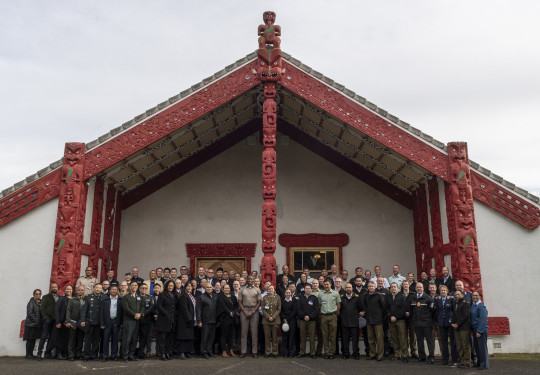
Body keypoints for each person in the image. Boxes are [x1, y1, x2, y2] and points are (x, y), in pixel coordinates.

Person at [408, 282, 435, 364]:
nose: (419, 289)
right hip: (417, 323)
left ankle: (431, 357)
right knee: (419, 341)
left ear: (423, 288)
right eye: (417, 287)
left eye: (420, 287)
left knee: (429, 341)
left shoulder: (428, 298)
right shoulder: (412, 298)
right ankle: (422, 357)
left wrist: (429, 320)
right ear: (415, 289)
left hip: (426, 323)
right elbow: (410, 310)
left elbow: (433, 310)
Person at [238, 275, 262, 358]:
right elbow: (240, 302)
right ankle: (243, 351)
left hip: (254, 311)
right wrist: (244, 312)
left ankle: (254, 351)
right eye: (248, 279)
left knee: (254, 332)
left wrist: (252, 311)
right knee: (243, 332)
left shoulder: (257, 289)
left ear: (253, 280)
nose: (250, 280)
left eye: (251, 279)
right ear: (246, 280)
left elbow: (259, 302)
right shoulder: (242, 289)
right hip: (244, 310)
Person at [435, 285, 458, 366]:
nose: (443, 292)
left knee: (453, 341)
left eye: (444, 290)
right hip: (442, 323)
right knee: (444, 341)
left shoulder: (451, 299)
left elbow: (454, 311)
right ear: (439, 292)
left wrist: (453, 321)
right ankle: (445, 359)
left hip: (450, 323)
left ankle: (455, 359)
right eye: (441, 290)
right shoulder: (438, 299)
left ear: (447, 291)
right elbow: (437, 311)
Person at [80, 283, 103, 361]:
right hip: (89, 321)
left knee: (96, 340)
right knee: (88, 339)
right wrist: (82, 320)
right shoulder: (88, 297)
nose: (98, 289)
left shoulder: (104, 298)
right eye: (96, 287)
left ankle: (94, 354)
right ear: (93, 288)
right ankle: (86, 355)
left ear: (102, 289)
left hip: (98, 322)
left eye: (100, 288)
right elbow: (83, 310)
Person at [318, 278, 341, 359]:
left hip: (333, 316)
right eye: (325, 284)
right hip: (324, 316)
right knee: (325, 335)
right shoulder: (321, 294)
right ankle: (327, 352)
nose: (326, 286)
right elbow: (319, 305)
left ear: (331, 285)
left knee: (333, 335)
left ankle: (332, 352)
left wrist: (335, 314)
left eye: (327, 284)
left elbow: (338, 305)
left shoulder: (335, 293)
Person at [121, 281, 144, 361]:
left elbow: (142, 307)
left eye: (136, 285)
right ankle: (125, 355)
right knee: (127, 338)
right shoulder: (126, 297)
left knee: (134, 338)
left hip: (137, 320)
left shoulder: (139, 297)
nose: (134, 286)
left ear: (137, 287)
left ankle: (131, 354)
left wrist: (140, 314)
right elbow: (126, 308)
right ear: (129, 287)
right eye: (133, 285)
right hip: (129, 320)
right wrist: (135, 314)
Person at [340, 282, 363, 360]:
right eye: (347, 288)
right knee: (345, 339)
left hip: (354, 322)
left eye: (349, 287)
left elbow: (360, 308)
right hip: (344, 322)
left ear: (352, 288)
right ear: (345, 289)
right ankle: (346, 353)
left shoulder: (356, 297)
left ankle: (356, 353)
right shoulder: (342, 298)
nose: (348, 289)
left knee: (355, 340)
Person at [363, 281, 385, 361]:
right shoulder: (366, 296)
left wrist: (380, 317)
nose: (371, 288)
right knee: (371, 339)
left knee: (379, 339)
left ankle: (380, 355)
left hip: (378, 321)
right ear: (367, 287)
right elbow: (365, 306)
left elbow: (384, 308)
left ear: (375, 287)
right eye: (369, 286)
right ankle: (372, 354)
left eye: (372, 286)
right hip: (369, 320)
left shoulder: (379, 296)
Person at [100, 285, 123, 361]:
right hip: (107, 322)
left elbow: (122, 312)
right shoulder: (104, 299)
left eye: (115, 289)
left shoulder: (120, 299)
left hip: (116, 322)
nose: (114, 291)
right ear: (110, 291)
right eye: (112, 289)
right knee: (105, 339)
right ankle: (105, 356)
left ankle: (114, 356)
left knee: (115, 340)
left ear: (117, 291)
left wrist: (121, 323)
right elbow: (101, 312)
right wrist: (102, 323)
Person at [386, 282, 408, 362]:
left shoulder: (402, 297)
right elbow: (387, 309)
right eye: (392, 287)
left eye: (394, 287)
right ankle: (397, 354)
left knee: (402, 338)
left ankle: (404, 355)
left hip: (400, 320)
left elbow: (403, 309)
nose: (393, 288)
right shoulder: (388, 297)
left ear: (397, 288)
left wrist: (396, 317)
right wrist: (390, 316)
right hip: (391, 321)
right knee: (394, 338)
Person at [196, 282, 218, 358]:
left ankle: (209, 351)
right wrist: (199, 321)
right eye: (207, 287)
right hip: (205, 321)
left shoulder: (215, 296)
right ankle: (203, 352)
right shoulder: (201, 297)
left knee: (211, 338)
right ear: (205, 289)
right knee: (204, 338)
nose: (209, 289)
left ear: (212, 289)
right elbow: (198, 309)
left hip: (213, 321)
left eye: (210, 287)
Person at [37, 283, 58, 360]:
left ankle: (47, 353)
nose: (54, 288)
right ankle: (39, 353)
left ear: (57, 288)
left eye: (55, 287)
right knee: (43, 337)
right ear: (50, 288)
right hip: (47, 320)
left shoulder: (59, 297)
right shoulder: (46, 297)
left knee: (52, 338)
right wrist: (46, 318)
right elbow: (42, 308)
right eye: (53, 287)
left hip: (55, 320)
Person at [297, 284, 318, 359]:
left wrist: (309, 316)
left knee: (312, 337)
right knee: (302, 337)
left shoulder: (314, 298)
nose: (308, 290)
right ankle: (302, 352)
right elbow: (299, 310)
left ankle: (312, 353)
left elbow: (316, 310)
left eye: (309, 288)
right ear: (304, 290)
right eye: (306, 288)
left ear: (311, 289)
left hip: (312, 321)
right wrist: (304, 316)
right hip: (303, 320)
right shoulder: (301, 298)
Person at [156, 280, 175, 360]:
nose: (170, 287)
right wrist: (166, 313)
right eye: (169, 285)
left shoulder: (174, 295)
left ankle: (167, 353)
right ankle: (162, 354)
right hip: (163, 319)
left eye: (172, 286)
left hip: (171, 320)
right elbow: (159, 306)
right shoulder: (162, 294)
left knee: (169, 339)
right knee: (162, 338)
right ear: (166, 286)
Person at [217, 284, 238, 358]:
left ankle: (231, 350)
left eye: (228, 288)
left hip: (232, 319)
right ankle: (224, 351)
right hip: (224, 318)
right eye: (225, 288)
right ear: (223, 289)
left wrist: (234, 312)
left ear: (230, 289)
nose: (226, 289)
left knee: (231, 335)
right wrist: (230, 312)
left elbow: (236, 306)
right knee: (224, 335)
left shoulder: (233, 297)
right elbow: (223, 306)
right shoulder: (221, 297)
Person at [452, 289, 472, 368]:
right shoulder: (454, 303)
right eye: (455, 295)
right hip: (457, 328)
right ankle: (463, 361)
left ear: (462, 295)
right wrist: (453, 323)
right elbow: (454, 314)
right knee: (459, 345)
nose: (457, 296)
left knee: (465, 345)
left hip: (464, 327)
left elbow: (465, 316)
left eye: (458, 294)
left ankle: (467, 363)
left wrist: (458, 324)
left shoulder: (465, 304)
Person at [176, 282, 196, 359]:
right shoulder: (183, 296)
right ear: (185, 287)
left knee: (189, 337)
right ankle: (181, 353)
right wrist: (189, 319)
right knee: (183, 337)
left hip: (191, 319)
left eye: (191, 286)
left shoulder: (191, 296)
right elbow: (184, 309)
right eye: (188, 286)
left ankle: (187, 352)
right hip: (184, 320)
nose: (189, 288)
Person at [470, 291, 489, 370]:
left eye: (476, 295)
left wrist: (479, 331)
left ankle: (483, 364)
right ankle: (479, 362)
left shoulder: (481, 306)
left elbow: (482, 320)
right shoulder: (473, 305)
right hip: (474, 329)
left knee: (482, 348)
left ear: (480, 296)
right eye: (473, 295)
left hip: (480, 330)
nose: (475, 297)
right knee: (477, 348)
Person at [66, 286, 85, 361]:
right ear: (76, 291)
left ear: (84, 291)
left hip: (82, 323)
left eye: (82, 290)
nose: (80, 291)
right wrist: (67, 321)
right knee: (72, 340)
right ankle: (71, 355)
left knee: (80, 340)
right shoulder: (72, 300)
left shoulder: (86, 299)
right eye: (79, 290)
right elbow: (68, 311)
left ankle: (78, 354)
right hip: (73, 322)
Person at [53, 284, 73, 360]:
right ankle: (58, 353)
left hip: (70, 322)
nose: (68, 291)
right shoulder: (61, 299)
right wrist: (58, 322)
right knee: (60, 338)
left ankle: (65, 353)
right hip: (61, 322)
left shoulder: (73, 299)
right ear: (64, 290)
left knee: (67, 339)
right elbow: (57, 310)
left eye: (70, 289)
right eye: (67, 289)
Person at [262, 284, 281, 358]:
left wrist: (273, 317)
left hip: (275, 320)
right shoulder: (264, 297)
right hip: (266, 321)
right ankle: (267, 352)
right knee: (267, 337)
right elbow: (263, 308)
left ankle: (275, 352)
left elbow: (279, 309)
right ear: (267, 290)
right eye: (269, 289)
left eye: (272, 289)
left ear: (274, 290)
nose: (270, 290)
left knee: (274, 337)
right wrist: (268, 317)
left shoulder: (278, 297)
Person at [137, 283, 154, 359]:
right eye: (142, 288)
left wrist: (144, 313)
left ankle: (141, 352)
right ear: (139, 289)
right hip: (136, 320)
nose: (144, 290)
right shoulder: (136, 296)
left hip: (146, 320)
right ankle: (131, 352)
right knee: (134, 337)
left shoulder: (149, 297)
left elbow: (151, 307)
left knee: (144, 338)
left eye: (145, 288)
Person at [24, 289, 42, 360]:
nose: (38, 295)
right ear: (34, 295)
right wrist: (36, 321)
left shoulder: (41, 302)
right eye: (36, 294)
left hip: (36, 325)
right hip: (30, 325)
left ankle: (31, 354)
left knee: (33, 340)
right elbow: (29, 313)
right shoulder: (31, 302)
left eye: (39, 294)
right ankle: (28, 355)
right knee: (29, 340)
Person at [401, 280, 418, 359]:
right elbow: (398, 307)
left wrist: (409, 313)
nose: (405, 286)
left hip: (411, 318)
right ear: (402, 285)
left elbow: (415, 306)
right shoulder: (399, 294)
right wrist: (404, 313)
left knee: (413, 335)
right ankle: (405, 352)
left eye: (407, 284)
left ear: (409, 285)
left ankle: (413, 351)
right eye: (404, 284)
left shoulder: (413, 294)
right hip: (402, 318)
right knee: (403, 335)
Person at [281, 288, 296, 357]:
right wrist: (284, 319)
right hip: (284, 321)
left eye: (289, 293)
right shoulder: (282, 301)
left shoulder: (294, 301)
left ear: (291, 293)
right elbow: (280, 311)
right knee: (285, 338)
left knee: (291, 337)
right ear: (285, 293)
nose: (288, 294)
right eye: (286, 293)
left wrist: (288, 319)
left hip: (292, 320)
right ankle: (285, 353)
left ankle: (291, 353)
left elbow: (294, 311)